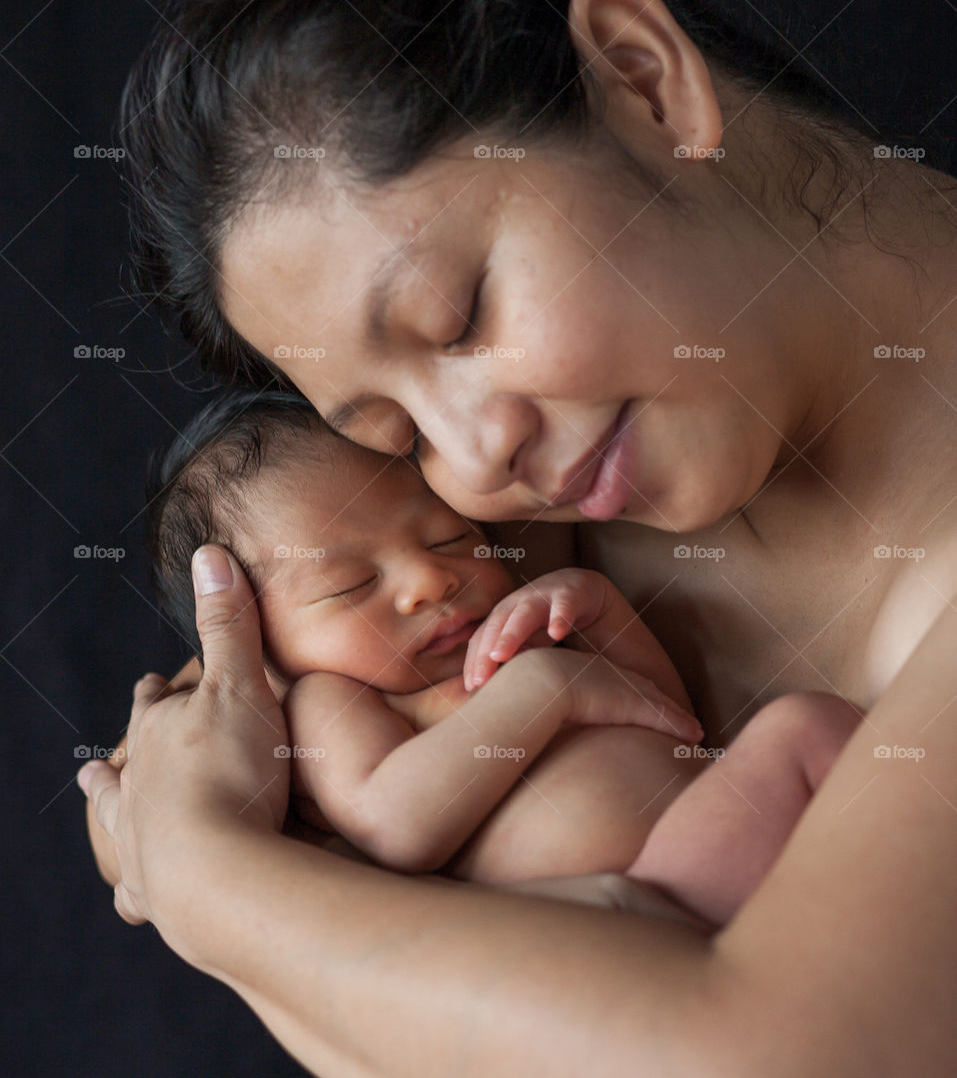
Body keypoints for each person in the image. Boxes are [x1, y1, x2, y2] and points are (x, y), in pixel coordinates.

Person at [81, 0, 957, 1078]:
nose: (473, 459)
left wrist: (215, 883)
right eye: (384, 428)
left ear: (647, 82)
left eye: (463, 316)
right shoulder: (509, 561)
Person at [120, 385, 860, 922]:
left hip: (709, 850)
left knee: (807, 728)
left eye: (447, 537)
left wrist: (600, 614)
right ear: (259, 647)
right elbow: (392, 824)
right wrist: (545, 688)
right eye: (350, 585)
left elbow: (674, 723)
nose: (428, 578)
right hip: (602, 924)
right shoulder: (330, 700)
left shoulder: (513, 622)